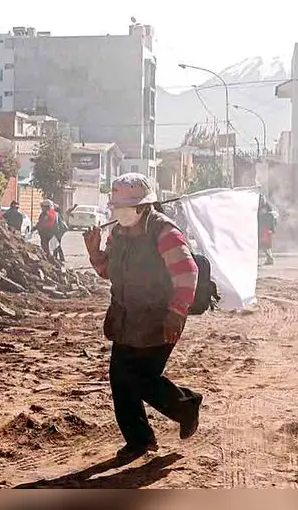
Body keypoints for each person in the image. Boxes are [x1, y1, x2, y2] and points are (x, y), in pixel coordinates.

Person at [83, 173, 202, 463]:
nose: (121, 213)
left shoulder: (165, 233)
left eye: (128, 207)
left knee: (142, 378)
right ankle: (139, 440)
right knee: (120, 379)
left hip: (160, 317)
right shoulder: (118, 235)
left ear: (145, 206)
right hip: (126, 317)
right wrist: (95, 252)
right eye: (117, 207)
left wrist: (176, 312)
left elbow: (188, 273)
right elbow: (111, 272)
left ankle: (186, 406)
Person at [258, 195, 277, 266]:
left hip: (265, 229)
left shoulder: (268, 210)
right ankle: (269, 258)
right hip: (263, 228)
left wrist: (272, 228)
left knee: (265, 245)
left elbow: (271, 217)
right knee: (264, 245)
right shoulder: (261, 208)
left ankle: (270, 258)